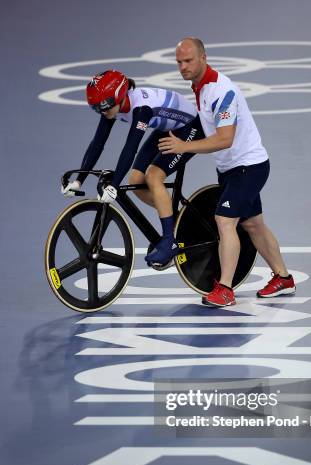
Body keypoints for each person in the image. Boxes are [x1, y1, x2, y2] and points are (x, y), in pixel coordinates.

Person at [158, 38, 295, 306]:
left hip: (249, 167)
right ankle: (284, 278)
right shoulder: (199, 87)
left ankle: (225, 289)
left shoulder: (222, 92)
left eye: (188, 61)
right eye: (179, 62)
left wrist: (184, 147)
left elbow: (224, 139)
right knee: (253, 224)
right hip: (231, 169)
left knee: (224, 220)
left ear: (203, 58)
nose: (183, 67)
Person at [61, 69, 204, 267]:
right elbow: (97, 143)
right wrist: (79, 180)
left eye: (104, 106)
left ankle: (170, 242)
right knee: (136, 180)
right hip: (169, 128)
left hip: (191, 128)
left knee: (153, 177)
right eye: (96, 108)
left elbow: (130, 148)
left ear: (119, 96)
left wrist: (114, 184)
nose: (102, 111)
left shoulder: (141, 109)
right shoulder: (111, 106)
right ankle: (179, 221)